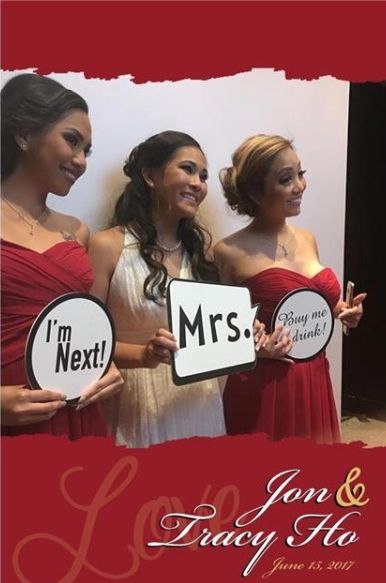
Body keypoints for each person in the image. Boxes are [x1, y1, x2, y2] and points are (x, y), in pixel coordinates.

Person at [214, 134, 366, 443]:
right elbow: (217, 339)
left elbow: (313, 302)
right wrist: (254, 347)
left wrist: (343, 310)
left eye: (301, 173)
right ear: (255, 192)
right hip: (265, 385)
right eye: (286, 179)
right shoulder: (227, 252)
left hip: (314, 375)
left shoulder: (308, 238)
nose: (300, 186)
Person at [1, 73, 123, 438]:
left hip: (78, 410)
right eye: (72, 140)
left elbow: (79, 328)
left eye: (86, 150)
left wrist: (106, 364)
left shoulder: (77, 231)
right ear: (24, 135)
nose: (81, 160)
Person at [89, 130, 228, 448]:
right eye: (188, 169)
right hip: (138, 406)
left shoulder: (201, 257)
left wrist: (249, 337)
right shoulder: (107, 246)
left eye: (203, 175)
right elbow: (87, 346)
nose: (198, 183)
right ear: (150, 175)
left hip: (200, 404)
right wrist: (144, 354)